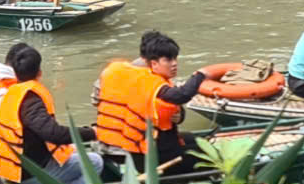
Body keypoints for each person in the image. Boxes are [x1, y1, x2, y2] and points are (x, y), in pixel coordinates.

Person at [94, 32, 219, 168]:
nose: (174, 64)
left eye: (175, 59)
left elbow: (168, 105)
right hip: (133, 149)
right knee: (204, 154)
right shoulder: (146, 80)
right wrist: (200, 75)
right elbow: (179, 95)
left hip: (121, 140)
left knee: (192, 139)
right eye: (168, 59)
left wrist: (179, 115)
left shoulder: (117, 71)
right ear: (153, 62)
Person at [0, 42, 94, 184]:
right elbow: (53, 134)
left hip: (10, 168)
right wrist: (93, 133)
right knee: (95, 161)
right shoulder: (30, 99)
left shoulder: (9, 92)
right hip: (28, 174)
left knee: (72, 151)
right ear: (39, 72)